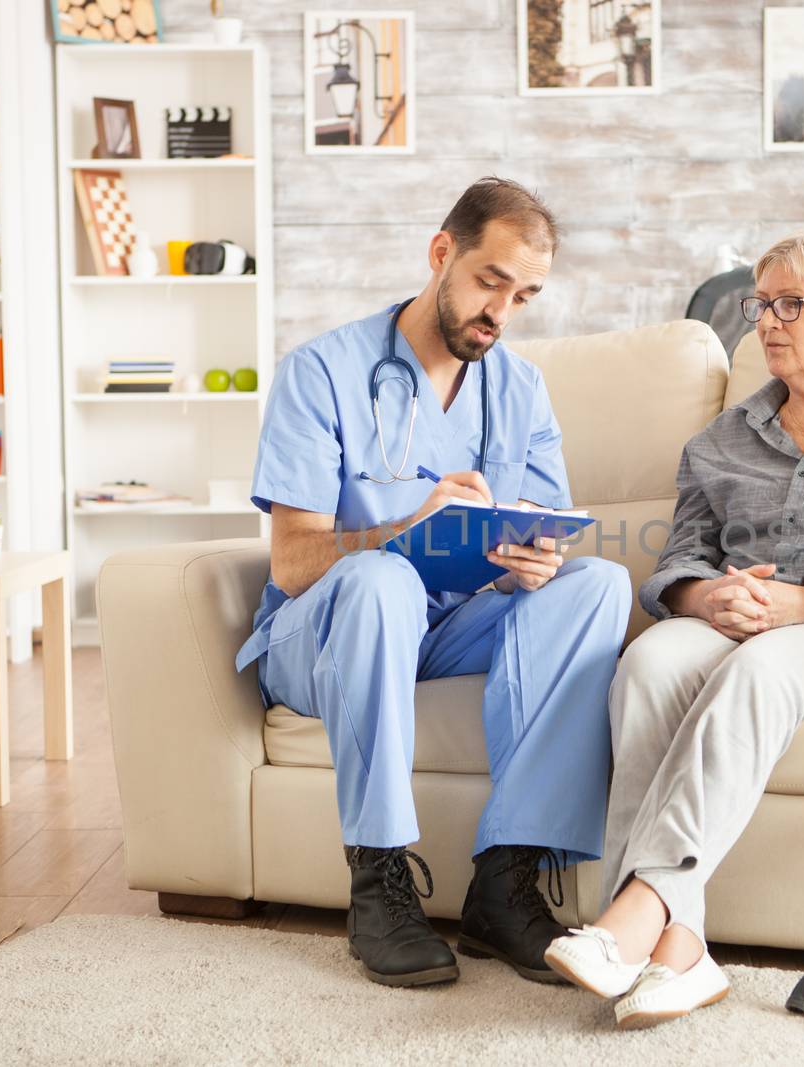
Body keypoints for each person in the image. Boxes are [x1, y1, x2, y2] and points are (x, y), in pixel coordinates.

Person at [545, 228, 804, 1028]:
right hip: (740, 621)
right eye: (760, 304)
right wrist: (706, 599)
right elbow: (677, 562)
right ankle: (680, 948)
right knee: (649, 664)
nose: (767, 321)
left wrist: (802, 603)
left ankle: (629, 917)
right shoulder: (720, 439)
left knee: (759, 669)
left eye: (790, 304)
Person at [234, 177, 631, 989]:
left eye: (523, 295)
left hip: (445, 629)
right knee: (381, 580)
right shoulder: (322, 372)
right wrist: (403, 530)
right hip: (323, 633)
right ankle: (378, 878)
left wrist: (536, 564)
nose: (501, 311)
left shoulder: (518, 389)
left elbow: (542, 524)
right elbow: (292, 561)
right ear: (441, 253)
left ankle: (505, 882)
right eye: (490, 281)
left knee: (597, 585)